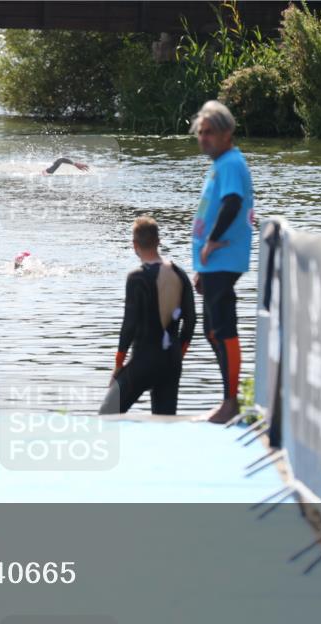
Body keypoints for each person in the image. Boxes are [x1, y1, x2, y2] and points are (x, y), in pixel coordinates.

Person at [188, 100, 254, 423]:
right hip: (212, 263)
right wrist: (202, 267)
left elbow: (232, 203)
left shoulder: (230, 164)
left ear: (227, 132)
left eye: (210, 132)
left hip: (224, 257)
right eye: (201, 133)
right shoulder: (221, 163)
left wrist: (212, 242)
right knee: (211, 331)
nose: (204, 138)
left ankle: (231, 403)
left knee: (222, 328)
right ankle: (229, 398)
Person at [99, 216, 196, 416]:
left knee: (107, 414)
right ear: (158, 241)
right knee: (165, 422)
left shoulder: (136, 277)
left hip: (143, 361)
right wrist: (179, 353)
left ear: (134, 245)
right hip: (171, 362)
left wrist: (118, 365)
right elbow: (191, 321)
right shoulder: (180, 274)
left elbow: (129, 325)